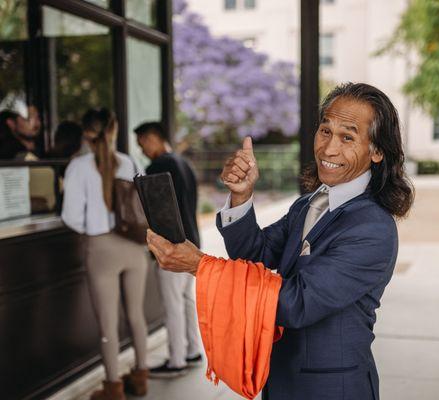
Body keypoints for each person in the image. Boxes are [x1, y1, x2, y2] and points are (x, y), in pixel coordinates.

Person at [146, 82, 414, 400]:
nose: (329, 149)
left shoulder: (372, 228)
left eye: (348, 137)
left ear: (377, 151)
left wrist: (200, 266)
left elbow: (294, 303)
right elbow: (255, 254)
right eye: (325, 131)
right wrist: (242, 196)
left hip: (331, 389)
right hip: (282, 380)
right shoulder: (309, 204)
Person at [62, 108, 149, 400]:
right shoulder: (129, 161)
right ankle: (140, 378)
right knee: (136, 315)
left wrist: (94, 225)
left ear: (86, 133)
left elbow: (71, 217)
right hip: (135, 246)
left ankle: (113, 388)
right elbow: (146, 202)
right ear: (112, 131)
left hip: (101, 249)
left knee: (107, 324)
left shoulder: (78, 166)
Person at [133, 121, 203, 378]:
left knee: (172, 304)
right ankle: (193, 350)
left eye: (143, 144)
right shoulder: (184, 163)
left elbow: (155, 213)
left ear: (153, 138)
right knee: (186, 300)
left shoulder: (158, 167)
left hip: (172, 246)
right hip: (192, 241)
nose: (142, 151)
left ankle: (176, 361)